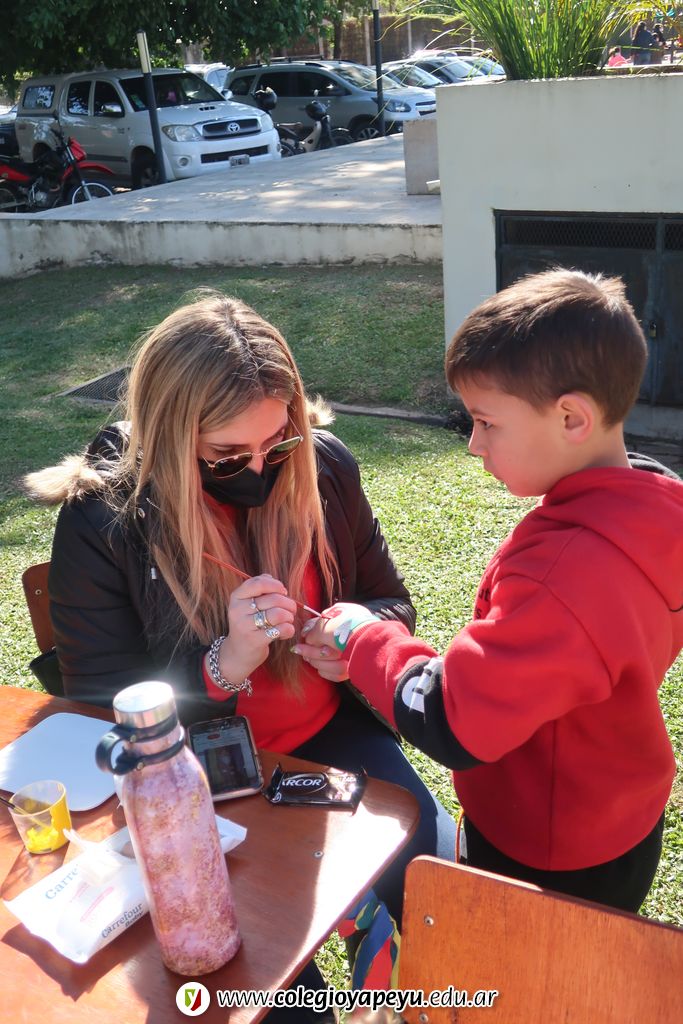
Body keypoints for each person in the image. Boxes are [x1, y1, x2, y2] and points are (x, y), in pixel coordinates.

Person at [24, 292, 455, 936]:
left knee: (441, 895)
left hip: (334, 736)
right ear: (171, 437)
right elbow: (102, 706)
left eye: (276, 445)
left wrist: (356, 637)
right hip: (196, 765)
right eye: (226, 456)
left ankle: (372, 938)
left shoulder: (325, 468)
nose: (258, 470)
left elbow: (390, 600)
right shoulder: (104, 520)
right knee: (257, 962)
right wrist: (221, 666)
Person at [298, 269, 683, 913]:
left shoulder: (565, 573)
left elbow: (454, 718)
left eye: (485, 422)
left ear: (571, 418)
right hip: (622, 814)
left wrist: (361, 636)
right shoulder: (654, 506)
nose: (474, 444)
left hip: (544, 847)